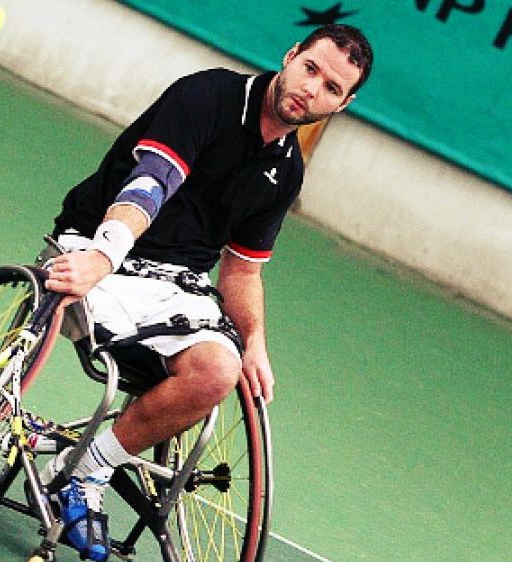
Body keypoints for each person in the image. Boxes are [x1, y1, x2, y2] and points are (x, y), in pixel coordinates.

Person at [39, 24, 374, 560]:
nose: (313, 89)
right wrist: (102, 256)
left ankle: (82, 470)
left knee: (219, 371)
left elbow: (241, 272)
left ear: (343, 103)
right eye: (311, 69)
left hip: (177, 285)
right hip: (104, 246)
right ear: (291, 56)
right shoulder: (209, 95)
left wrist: (255, 340)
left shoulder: (285, 173)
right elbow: (150, 182)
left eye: (332, 88)